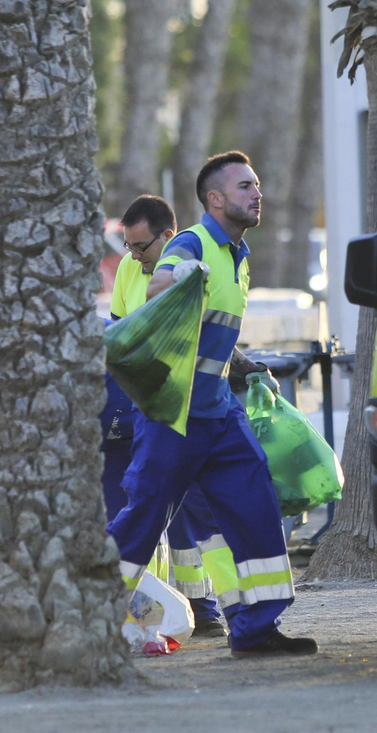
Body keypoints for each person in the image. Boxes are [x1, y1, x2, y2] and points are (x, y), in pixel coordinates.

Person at [108, 152, 317, 657]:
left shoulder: (237, 259)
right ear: (216, 199)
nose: (257, 193)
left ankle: (255, 629)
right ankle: (86, 613)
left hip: (218, 412)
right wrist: (180, 278)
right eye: (246, 186)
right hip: (173, 417)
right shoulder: (192, 243)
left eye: (257, 185)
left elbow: (219, 340)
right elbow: (161, 282)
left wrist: (246, 370)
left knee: (257, 508)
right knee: (143, 518)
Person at [105, 194, 232, 639]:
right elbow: (120, 333)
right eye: (128, 246)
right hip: (145, 407)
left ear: (168, 237)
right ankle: (147, 606)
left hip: (193, 407)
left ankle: (211, 607)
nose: (134, 257)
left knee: (196, 514)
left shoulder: (192, 271)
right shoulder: (128, 268)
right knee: (146, 505)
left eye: (141, 247)